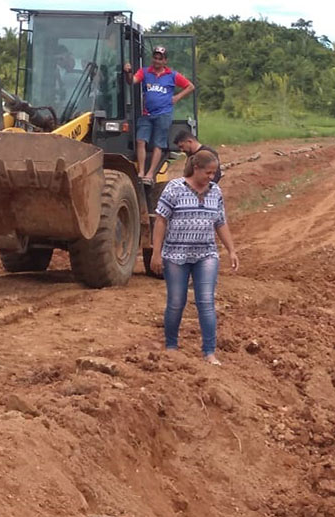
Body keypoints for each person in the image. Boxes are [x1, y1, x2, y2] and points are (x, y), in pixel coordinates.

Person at [151, 150, 238, 365]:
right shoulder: (174, 188)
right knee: (176, 302)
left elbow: (220, 222)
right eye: (208, 172)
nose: (211, 176)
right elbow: (161, 221)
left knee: (206, 302)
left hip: (205, 254)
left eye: (214, 173)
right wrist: (156, 253)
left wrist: (231, 250)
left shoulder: (215, 192)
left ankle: (209, 352)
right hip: (175, 255)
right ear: (196, 168)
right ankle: (171, 346)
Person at [124, 46, 195, 184]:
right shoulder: (145, 72)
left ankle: (150, 174)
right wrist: (128, 72)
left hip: (163, 114)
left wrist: (177, 97)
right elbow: (132, 81)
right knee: (140, 140)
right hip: (147, 113)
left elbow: (190, 86)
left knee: (158, 143)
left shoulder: (172, 75)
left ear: (165, 61)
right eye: (155, 58)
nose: (156, 61)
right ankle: (141, 171)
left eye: (160, 59)